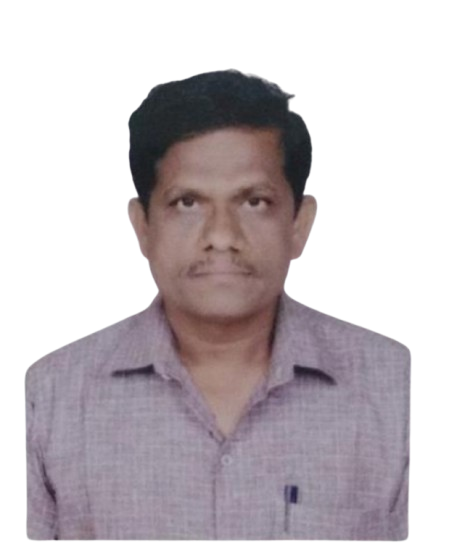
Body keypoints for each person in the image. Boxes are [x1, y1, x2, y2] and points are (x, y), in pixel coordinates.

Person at [25, 69, 411, 542]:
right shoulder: (51, 398)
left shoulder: (396, 391)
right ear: (142, 226)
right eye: (188, 202)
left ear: (299, 224)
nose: (222, 236)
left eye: (255, 202)